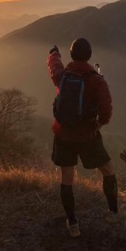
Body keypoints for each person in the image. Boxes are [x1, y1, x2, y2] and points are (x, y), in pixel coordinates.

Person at [47, 38, 118, 237]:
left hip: (62, 134)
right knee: (108, 170)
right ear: (89, 55)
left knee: (67, 178)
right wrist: (99, 124)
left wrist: (54, 54)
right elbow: (106, 110)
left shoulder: (63, 76)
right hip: (88, 135)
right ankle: (113, 212)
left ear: (72, 55)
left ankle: (73, 223)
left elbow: (54, 68)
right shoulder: (96, 80)